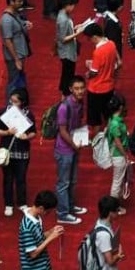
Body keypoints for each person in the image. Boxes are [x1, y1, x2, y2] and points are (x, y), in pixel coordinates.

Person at [0, 87, 36, 218]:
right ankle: (8, 204)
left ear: (22, 102)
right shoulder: (3, 112)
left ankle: (22, 203)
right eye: (11, 101)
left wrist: (27, 137)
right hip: (8, 151)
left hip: (22, 152)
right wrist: (7, 132)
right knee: (7, 179)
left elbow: (33, 132)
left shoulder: (28, 114)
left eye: (16, 102)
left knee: (21, 178)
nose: (12, 104)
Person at [54, 75, 88, 225]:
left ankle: (70, 206)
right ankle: (62, 213)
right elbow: (62, 131)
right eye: (77, 88)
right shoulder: (64, 107)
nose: (80, 91)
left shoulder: (80, 103)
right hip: (64, 149)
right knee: (63, 182)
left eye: (82, 88)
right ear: (70, 89)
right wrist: (75, 145)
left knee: (72, 181)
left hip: (73, 146)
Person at [18, 190, 66, 270]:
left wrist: (51, 231)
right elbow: (33, 254)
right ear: (41, 208)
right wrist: (51, 238)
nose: (49, 214)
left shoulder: (36, 217)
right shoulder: (27, 227)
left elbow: (38, 238)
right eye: (48, 211)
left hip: (43, 268)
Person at [0, 0, 32, 106]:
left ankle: (21, 101)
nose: (21, 3)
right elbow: (7, 41)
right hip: (14, 57)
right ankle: (9, 106)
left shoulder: (15, 13)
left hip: (20, 53)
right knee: (13, 82)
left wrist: (25, 24)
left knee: (20, 78)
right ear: (11, 2)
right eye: (18, 1)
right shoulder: (6, 20)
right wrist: (16, 59)